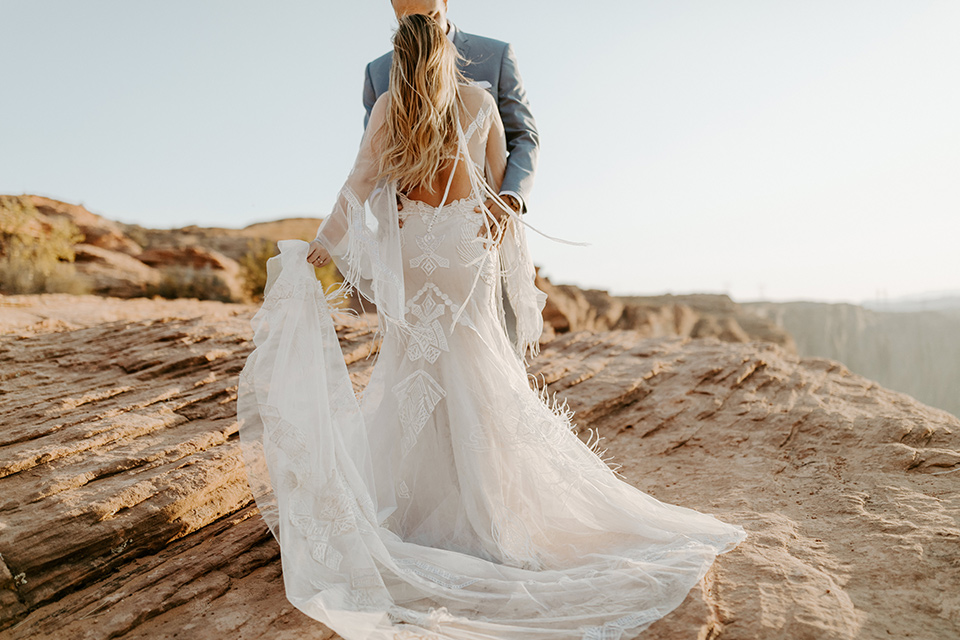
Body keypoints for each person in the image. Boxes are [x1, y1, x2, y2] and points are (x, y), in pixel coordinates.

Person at [237, 13, 747, 640]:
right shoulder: (477, 101)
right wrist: (497, 241)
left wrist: (323, 247)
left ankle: (410, 510)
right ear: (449, 54)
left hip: (413, 253)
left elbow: (359, 186)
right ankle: (495, 508)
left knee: (411, 373)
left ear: (398, 59)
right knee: (481, 369)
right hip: (462, 254)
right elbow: (497, 183)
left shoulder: (387, 110)